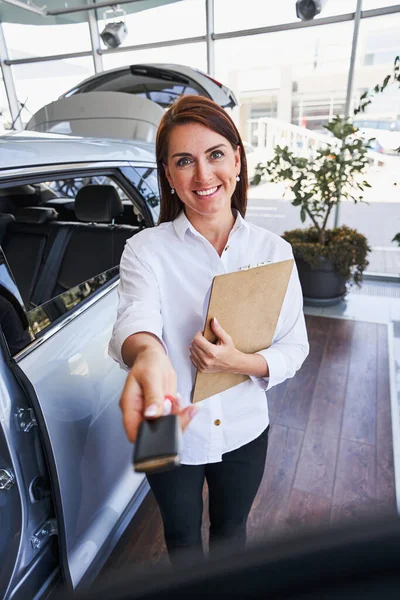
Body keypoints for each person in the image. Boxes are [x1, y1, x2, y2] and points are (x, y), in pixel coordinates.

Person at [108, 95, 309, 564]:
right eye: (184, 161)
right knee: (178, 538)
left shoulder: (274, 250)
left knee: (231, 535)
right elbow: (135, 317)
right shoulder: (143, 250)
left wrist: (237, 363)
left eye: (215, 154)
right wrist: (150, 355)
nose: (202, 176)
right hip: (164, 421)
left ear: (237, 159)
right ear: (169, 175)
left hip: (245, 423)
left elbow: (294, 346)